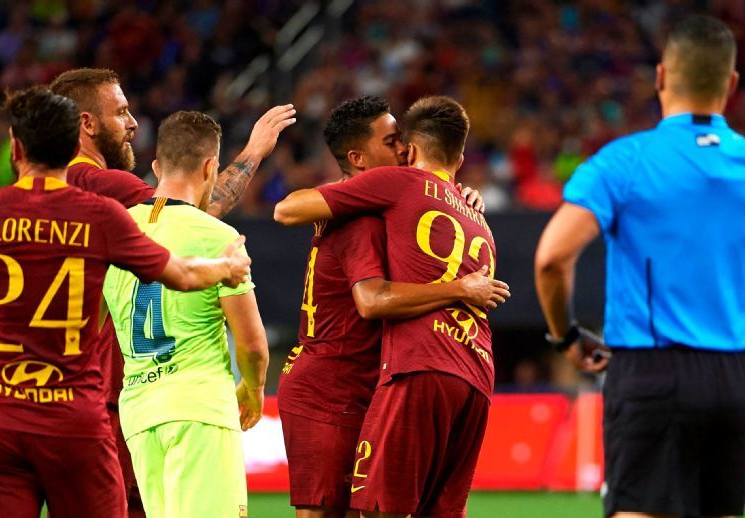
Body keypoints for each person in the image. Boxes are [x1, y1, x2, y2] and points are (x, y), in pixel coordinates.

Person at [534, 15, 745, 518]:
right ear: (732, 84)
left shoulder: (623, 162)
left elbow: (552, 257)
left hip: (650, 370)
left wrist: (565, 336)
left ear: (660, 76)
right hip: (736, 377)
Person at [0, 88, 250, 518]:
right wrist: (226, 267)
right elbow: (180, 273)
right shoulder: (99, 215)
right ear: (73, 144)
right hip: (74, 419)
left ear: (15, 146)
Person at [49, 67, 294, 516]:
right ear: (87, 123)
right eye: (120, 112)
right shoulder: (106, 188)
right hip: (161, 398)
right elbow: (187, 213)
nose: (132, 123)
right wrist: (254, 152)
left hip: (120, 399)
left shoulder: (51, 191)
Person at [276, 96, 508, 518]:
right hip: (331, 386)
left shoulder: (397, 200)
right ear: (358, 158)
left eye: (403, 141)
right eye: (391, 141)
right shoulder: (364, 213)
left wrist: (451, 191)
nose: (403, 149)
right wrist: (458, 288)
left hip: (383, 377)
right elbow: (370, 299)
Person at [101, 111, 270, 518]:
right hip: (199, 409)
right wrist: (254, 388)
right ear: (211, 167)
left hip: (139, 412)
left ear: (157, 167)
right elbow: (252, 345)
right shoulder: (218, 237)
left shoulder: (115, 231)